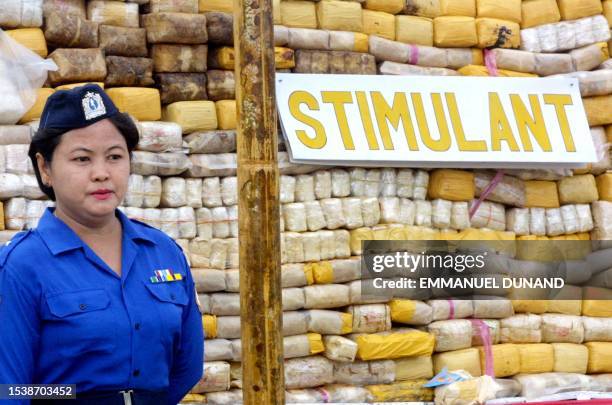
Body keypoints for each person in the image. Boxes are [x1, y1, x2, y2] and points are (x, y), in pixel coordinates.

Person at [0, 84, 204, 405]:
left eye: (114, 157)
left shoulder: (163, 252)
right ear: (45, 168)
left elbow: (187, 367)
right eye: (82, 159)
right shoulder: (22, 265)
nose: (101, 173)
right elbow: (11, 390)